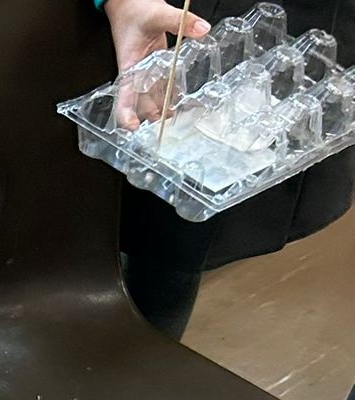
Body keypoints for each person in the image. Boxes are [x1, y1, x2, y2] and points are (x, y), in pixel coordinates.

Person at [104, 0, 355, 351]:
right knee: (152, 231)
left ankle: (134, 372)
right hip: (170, 28)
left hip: (318, 35)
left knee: (175, 253)